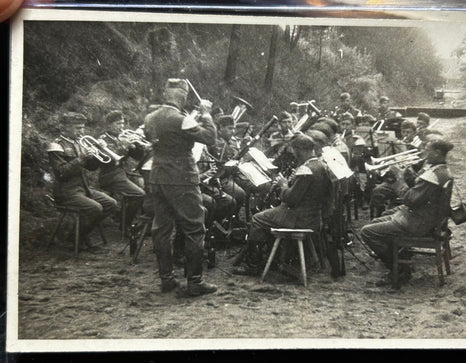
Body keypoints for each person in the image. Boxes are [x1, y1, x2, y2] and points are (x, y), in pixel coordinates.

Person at [144, 78, 217, 296]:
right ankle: (195, 281)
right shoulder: (181, 119)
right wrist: (205, 113)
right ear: (183, 96)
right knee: (195, 227)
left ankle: (167, 279)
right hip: (182, 179)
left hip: (157, 177)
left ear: (166, 94)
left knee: (162, 230)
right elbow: (210, 137)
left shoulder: (149, 118)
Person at [232, 134, 332, 276]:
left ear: (301, 150)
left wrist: (283, 185)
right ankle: (275, 257)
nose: (294, 155)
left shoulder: (306, 169)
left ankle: (254, 264)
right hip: (314, 217)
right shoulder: (321, 165)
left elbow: (291, 200)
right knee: (269, 215)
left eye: (294, 151)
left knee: (257, 219)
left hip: (297, 218)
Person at [360, 139, 454, 286]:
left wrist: (399, 178)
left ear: (437, 153)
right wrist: (407, 173)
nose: (424, 153)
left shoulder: (435, 175)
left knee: (367, 232)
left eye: (428, 150)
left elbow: (410, 199)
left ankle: (400, 270)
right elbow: (419, 189)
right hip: (425, 217)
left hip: (418, 221)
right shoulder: (441, 170)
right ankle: (401, 258)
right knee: (377, 223)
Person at [47, 112, 118, 248]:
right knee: (95, 208)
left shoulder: (79, 143)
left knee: (111, 204)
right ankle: (73, 240)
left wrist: (97, 153)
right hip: (66, 192)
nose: (82, 131)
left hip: (83, 189)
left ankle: (78, 236)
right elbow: (61, 173)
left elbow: (91, 168)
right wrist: (81, 159)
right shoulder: (56, 145)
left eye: (82, 127)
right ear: (65, 127)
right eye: (77, 128)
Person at [98, 110, 146, 233]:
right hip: (110, 175)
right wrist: (124, 147)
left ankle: (123, 217)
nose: (122, 127)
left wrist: (136, 147)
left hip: (123, 174)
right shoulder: (103, 140)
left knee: (147, 186)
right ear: (109, 125)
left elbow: (137, 157)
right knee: (139, 194)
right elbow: (107, 161)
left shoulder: (120, 137)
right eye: (118, 124)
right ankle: (125, 225)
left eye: (123, 123)